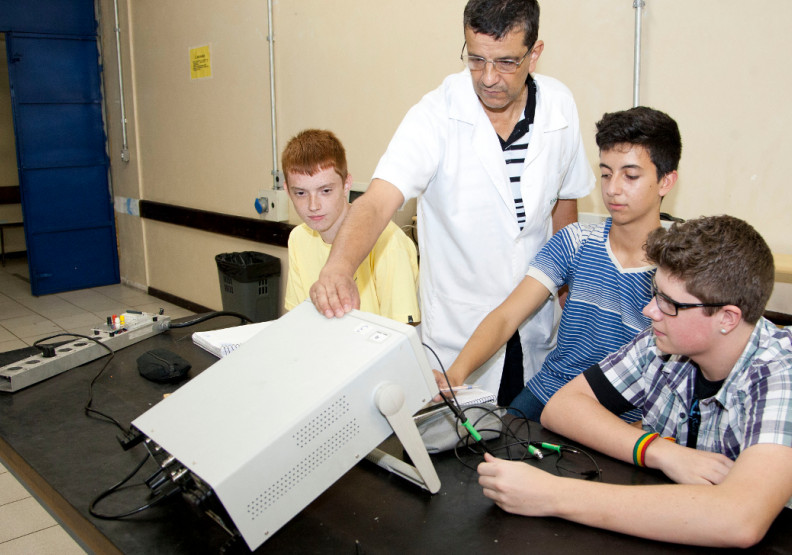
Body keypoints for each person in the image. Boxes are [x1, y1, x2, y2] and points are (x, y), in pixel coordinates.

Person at [477, 215, 792, 547]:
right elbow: (562, 406)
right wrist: (659, 451)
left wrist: (553, 495)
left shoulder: (790, 375)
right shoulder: (664, 343)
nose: (649, 311)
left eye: (668, 304)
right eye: (654, 293)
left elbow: (738, 519)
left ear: (727, 317)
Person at [309, 0, 594, 403]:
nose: (489, 78)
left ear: (536, 53)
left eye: (507, 62)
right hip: (457, 335)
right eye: (476, 59)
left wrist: (568, 300)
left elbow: (564, 205)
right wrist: (338, 269)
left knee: (525, 443)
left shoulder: (559, 108)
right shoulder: (435, 115)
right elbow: (375, 202)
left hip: (534, 330)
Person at [436, 106, 680, 421]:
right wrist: (455, 375)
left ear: (666, 181)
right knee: (491, 453)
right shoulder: (576, 242)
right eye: (606, 173)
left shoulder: (677, 273)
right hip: (548, 393)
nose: (613, 188)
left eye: (630, 175)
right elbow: (507, 316)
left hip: (621, 417)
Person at [281, 129, 420, 324]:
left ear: (347, 184)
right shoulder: (298, 238)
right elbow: (296, 321)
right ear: (287, 190)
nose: (313, 205)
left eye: (325, 191)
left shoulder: (388, 241)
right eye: (301, 193)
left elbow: (403, 334)